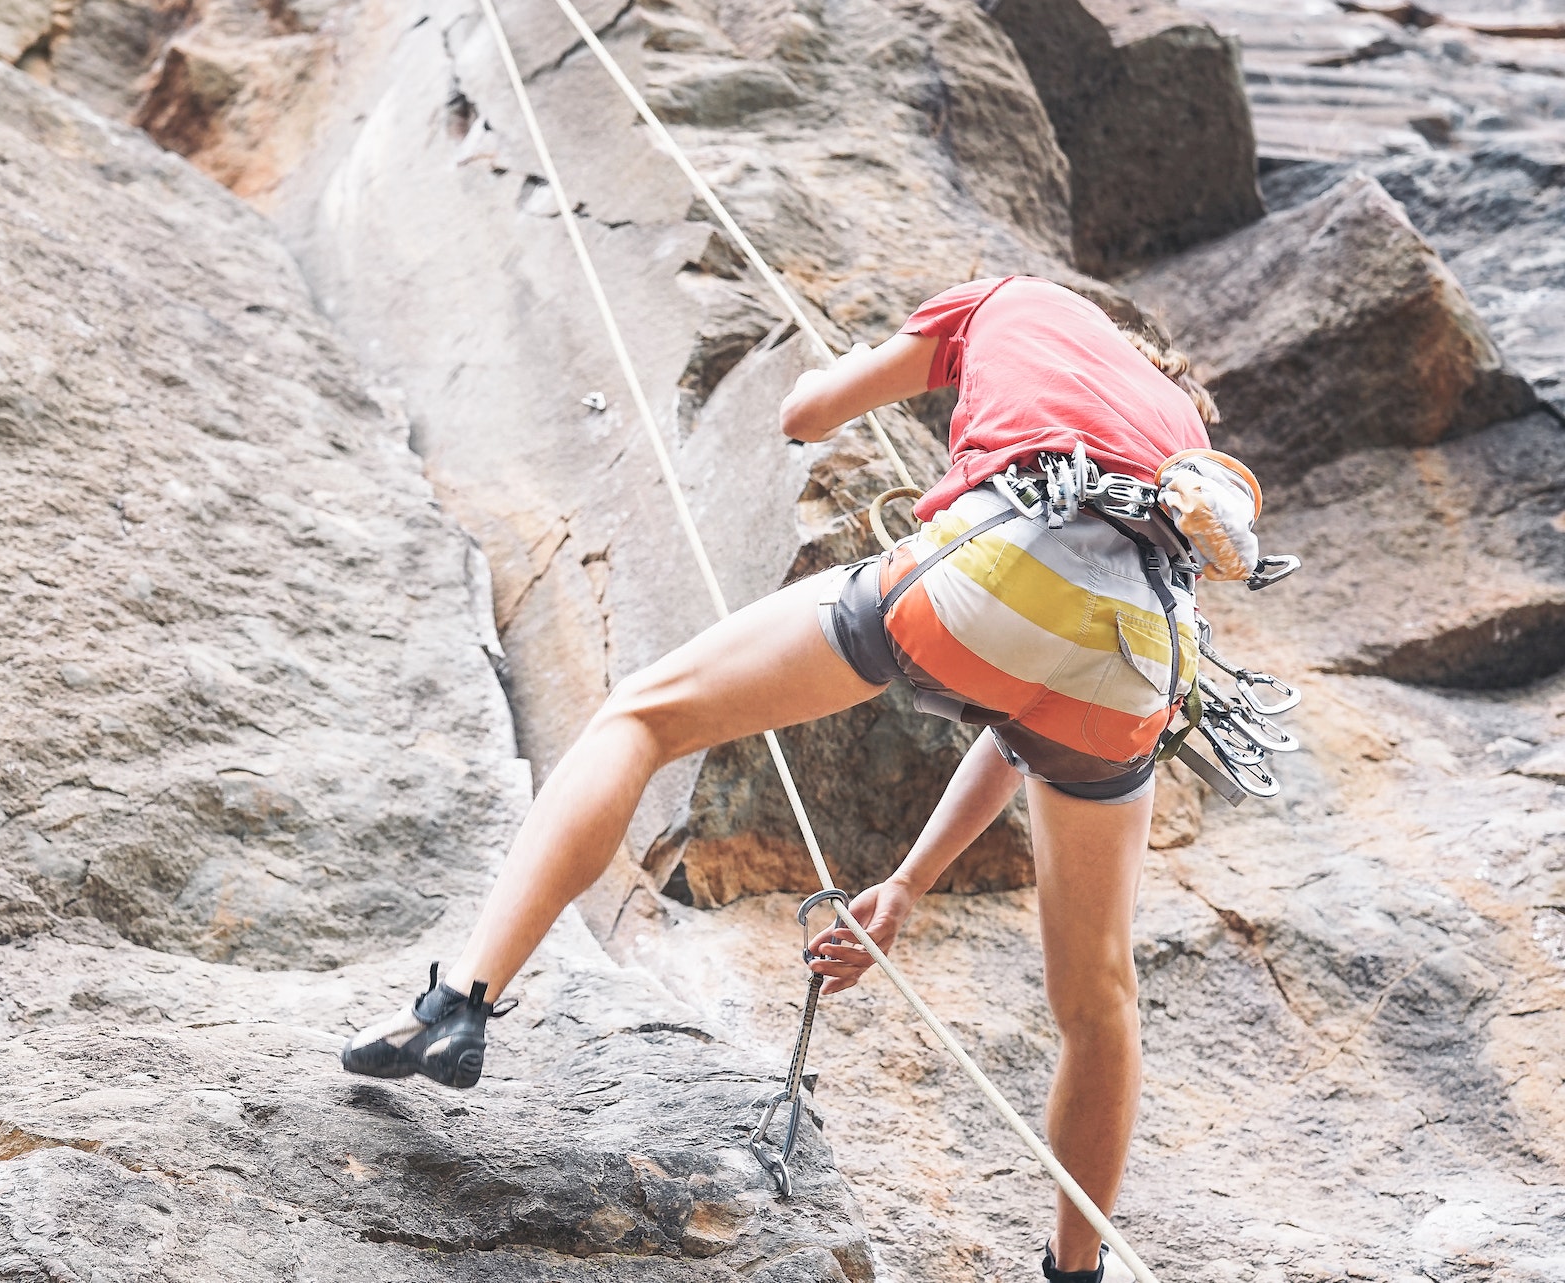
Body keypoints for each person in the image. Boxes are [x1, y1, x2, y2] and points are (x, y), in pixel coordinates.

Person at [341, 276, 1265, 1283]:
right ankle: (1074, 1269)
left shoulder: (1008, 298)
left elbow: (803, 415)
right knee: (1097, 998)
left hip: (995, 568)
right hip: (1137, 659)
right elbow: (1021, 724)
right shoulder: (1175, 429)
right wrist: (905, 884)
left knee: (644, 717)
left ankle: (461, 1001)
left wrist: (862, 362)